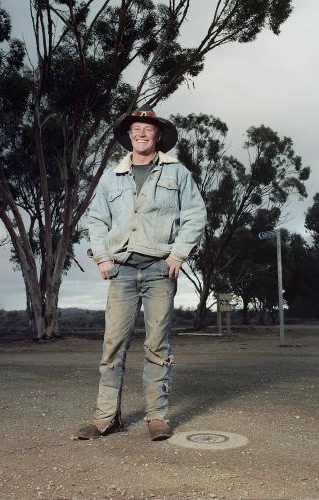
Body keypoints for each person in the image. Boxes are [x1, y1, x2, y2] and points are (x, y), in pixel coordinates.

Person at [76, 105, 206, 441]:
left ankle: (157, 417)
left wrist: (178, 255)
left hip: (159, 270)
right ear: (129, 136)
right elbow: (96, 220)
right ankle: (106, 418)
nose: (142, 133)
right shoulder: (111, 176)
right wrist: (103, 258)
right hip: (121, 271)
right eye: (136, 129)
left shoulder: (177, 173)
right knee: (113, 346)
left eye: (148, 129)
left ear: (158, 136)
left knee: (157, 346)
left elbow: (195, 215)